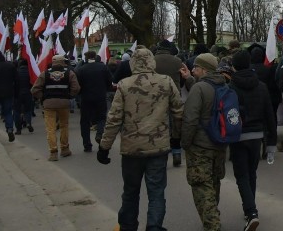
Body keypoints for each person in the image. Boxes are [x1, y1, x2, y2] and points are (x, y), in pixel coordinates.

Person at [96, 47, 183, 231]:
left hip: (131, 149)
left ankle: (127, 226)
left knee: (130, 192)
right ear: (152, 62)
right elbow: (179, 112)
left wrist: (104, 147)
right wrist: (179, 138)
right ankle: (154, 226)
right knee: (157, 192)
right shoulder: (166, 82)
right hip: (158, 148)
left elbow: (114, 118)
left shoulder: (124, 85)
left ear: (132, 63)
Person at [229, 50, 277, 231]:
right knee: (251, 173)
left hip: (238, 136)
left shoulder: (231, 86)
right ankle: (250, 207)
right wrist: (271, 142)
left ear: (234, 65)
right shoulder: (261, 86)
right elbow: (269, 115)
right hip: (257, 136)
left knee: (241, 175)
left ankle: (251, 212)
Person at [182, 53, 228, 231]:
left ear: (204, 69)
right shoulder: (223, 84)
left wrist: (185, 143)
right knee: (214, 183)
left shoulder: (199, 89)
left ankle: (212, 225)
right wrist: (189, 79)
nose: (193, 70)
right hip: (219, 143)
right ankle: (213, 217)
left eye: (195, 68)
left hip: (200, 146)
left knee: (202, 186)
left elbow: (190, 119)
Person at [31, 54, 80, 161]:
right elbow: (76, 88)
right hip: (64, 104)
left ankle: (53, 152)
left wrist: (43, 98)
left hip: (48, 105)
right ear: (63, 63)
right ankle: (65, 149)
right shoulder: (69, 73)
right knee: (64, 126)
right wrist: (69, 96)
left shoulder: (44, 74)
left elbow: (34, 90)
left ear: (53, 63)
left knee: (50, 128)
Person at [75, 49, 113, 152]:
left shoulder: (81, 69)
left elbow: (78, 85)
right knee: (101, 117)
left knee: (85, 121)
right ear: (95, 56)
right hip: (100, 96)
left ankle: (87, 145)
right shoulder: (103, 67)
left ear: (86, 58)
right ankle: (99, 133)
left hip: (86, 98)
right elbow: (109, 82)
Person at [0, 49, 16, 141]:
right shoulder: (10, 66)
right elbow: (16, 79)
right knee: (8, 112)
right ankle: (9, 129)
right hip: (8, 92)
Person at [13, 57, 34, 135]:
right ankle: (28, 123)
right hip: (28, 93)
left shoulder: (16, 72)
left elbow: (13, 84)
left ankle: (18, 129)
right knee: (28, 110)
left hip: (18, 94)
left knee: (17, 111)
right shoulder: (30, 73)